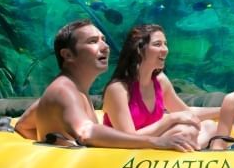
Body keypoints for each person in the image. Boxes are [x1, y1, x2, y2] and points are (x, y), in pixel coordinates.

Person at [14, 19, 197, 151]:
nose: (105, 46)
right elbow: (86, 132)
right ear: (68, 55)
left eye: (103, 39)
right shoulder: (63, 90)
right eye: (93, 42)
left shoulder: (70, 91)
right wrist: (155, 142)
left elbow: (23, 125)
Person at [101, 24, 218, 146]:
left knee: (209, 126)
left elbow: (186, 112)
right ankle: (193, 148)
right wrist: (169, 119)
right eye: (157, 44)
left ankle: (192, 148)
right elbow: (129, 139)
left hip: (156, 146)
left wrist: (225, 109)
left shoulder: (160, 80)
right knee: (184, 131)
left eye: (165, 44)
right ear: (139, 50)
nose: (165, 49)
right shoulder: (118, 89)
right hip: (127, 152)